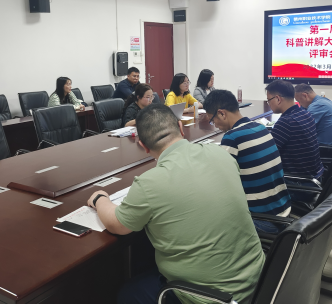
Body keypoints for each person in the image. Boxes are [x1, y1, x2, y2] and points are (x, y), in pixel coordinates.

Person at [87, 105, 265, 304]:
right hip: (261, 280)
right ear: (181, 128)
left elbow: (116, 224)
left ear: (143, 146)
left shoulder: (149, 184)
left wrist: (100, 199)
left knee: (128, 293)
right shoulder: (221, 153)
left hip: (215, 298)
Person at [204, 90, 291, 234]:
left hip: (262, 220)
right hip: (283, 212)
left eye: (212, 120)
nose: (215, 125)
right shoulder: (261, 128)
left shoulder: (232, 138)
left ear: (222, 113)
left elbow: (217, 183)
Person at [266, 80, 324, 184]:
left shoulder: (286, 122)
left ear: (278, 99)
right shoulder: (305, 114)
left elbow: (267, 154)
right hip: (316, 177)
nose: (269, 104)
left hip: (298, 183)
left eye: (269, 100)